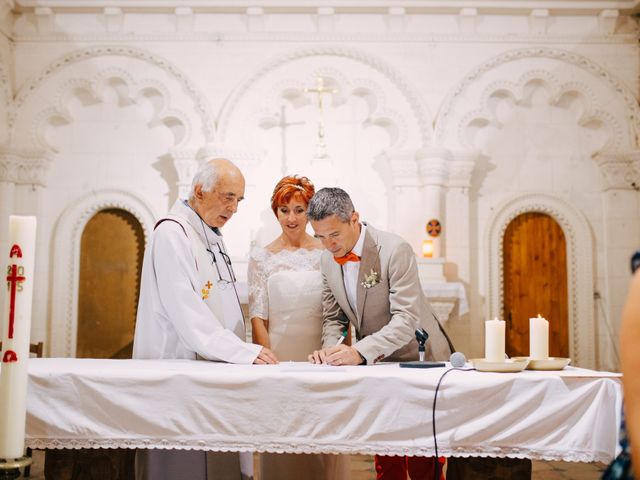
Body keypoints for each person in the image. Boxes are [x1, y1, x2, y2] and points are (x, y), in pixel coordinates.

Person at [133, 157, 278, 480]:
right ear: (200, 191)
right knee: (185, 466)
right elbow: (187, 312)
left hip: (214, 369)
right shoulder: (173, 233)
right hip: (179, 372)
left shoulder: (209, 234)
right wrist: (244, 352)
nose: (235, 208)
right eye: (228, 197)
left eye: (239, 200)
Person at [306, 187, 454, 480]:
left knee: (425, 456)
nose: (328, 245)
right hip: (378, 364)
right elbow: (334, 318)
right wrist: (329, 352)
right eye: (320, 237)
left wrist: (358, 351)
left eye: (333, 234)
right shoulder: (326, 261)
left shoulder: (394, 249)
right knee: (387, 454)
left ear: (354, 219)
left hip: (419, 358)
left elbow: (406, 319)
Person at [248, 175, 351, 480]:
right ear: (275, 212)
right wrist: (269, 364)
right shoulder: (260, 257)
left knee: (321, 445)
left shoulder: (327, 253)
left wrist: (337, 355)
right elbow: (258, 317)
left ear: (310, 212)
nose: (291, 218)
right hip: (279, 363)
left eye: (299, 209)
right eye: (284, 210)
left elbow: (341, 313)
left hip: (321, 361)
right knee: (282, 446)